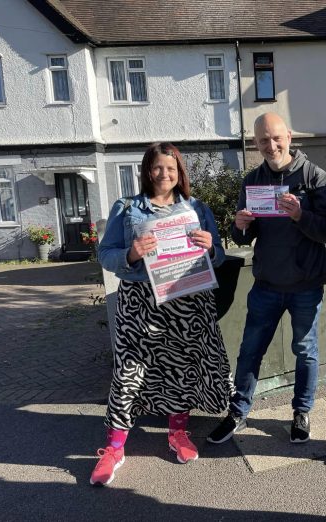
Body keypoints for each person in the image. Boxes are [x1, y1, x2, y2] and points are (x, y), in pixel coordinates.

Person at [91, 142, 231, 486]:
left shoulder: (196, 208)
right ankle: (114, 448)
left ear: (179, 172)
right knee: (128, 373)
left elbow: (220, 257)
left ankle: (177, 434)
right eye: (157, 168)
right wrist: (132, 254)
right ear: (147, 171)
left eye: (171, 168)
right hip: (140, 302)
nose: (164, 174)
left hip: (187, 301)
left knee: (181, 369)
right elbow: (105, 254)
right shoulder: (127, 208)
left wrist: (211, 247)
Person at [207, 112, 326, 445]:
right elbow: (242, 237)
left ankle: (301, 412)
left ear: (289, 136)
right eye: (263, 140)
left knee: (305, 351)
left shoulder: (314, 177)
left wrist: (300, 215)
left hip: (306, 284)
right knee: (250, 351)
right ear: (256, 143)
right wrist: (240, 224)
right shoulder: (252, 181)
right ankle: (238, 412)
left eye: (276, 137)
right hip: (266, 284)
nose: (271, 145)